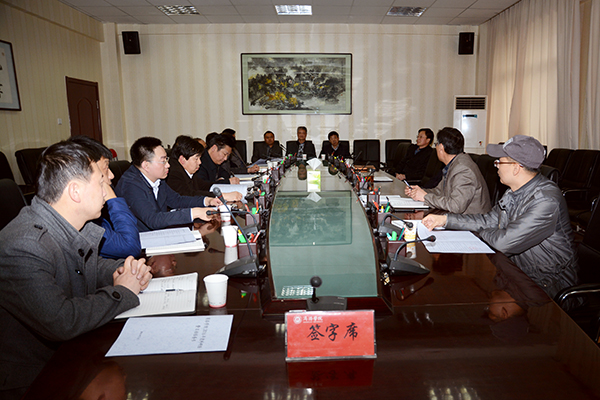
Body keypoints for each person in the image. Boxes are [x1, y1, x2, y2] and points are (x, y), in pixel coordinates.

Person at [0, 141, 152, 398]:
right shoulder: (25, 244)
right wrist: (122, 291)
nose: (107, 192)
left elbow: (87, 266)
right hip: (35, 377)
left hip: (69, 354)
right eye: (101, 183)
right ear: (75, 191)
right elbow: (62, 321)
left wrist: (123, 270)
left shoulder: (61, 224)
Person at [422, 135, 578, 299]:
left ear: (516, 168)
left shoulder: (546, 200)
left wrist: (480, 232)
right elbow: (488, 220)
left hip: (548, 285)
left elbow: (503, 242)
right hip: (519, 272)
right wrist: (446, 220)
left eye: (499, 162)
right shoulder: (513, 191)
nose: (496, 166)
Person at [115, 136, 220, 232]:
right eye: (163, 161)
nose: (168, 165)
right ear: (146, 165)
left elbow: (176, 200)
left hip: (159, 233)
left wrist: (207, 200)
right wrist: (194, 213)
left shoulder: (157, 178)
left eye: (167, 159)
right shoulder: (131, 185)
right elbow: (153, 220)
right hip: (140, 240)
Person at [68, 135, 141, 259]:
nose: (111, 175)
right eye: (106, 168)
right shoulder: (80, 221)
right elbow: (130, 248)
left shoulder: (93, 210)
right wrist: (112, 198)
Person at [406, 127, 491, 214]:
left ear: (441, 147)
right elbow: (439, 191)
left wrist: (425, 197)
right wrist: (419, 192)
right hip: (457, 217)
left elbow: (456, 206)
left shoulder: (463, 169)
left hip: (470, 221)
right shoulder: (454, 163)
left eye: (436, 144)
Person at [166, 135, 242, 202]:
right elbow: (189, 195)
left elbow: (203, 186)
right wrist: (222, 196)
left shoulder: (189, 170)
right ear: (182, 160)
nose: (199, 162)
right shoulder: (173, 173)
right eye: (196, 159)